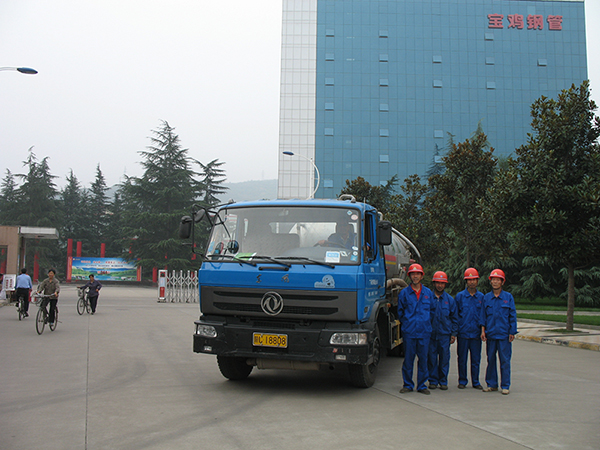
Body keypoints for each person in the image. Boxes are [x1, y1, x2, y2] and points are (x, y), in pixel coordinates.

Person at [398, 263, 435, 395]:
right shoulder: (404, 293)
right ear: (409, 276)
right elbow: (400, 312)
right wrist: (408, 324)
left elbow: (432, 311)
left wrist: (425, 324)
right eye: (413, 274)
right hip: (409, 332)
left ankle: (421, 385)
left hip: (424, 332)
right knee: (408, 359)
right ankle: (408, 384)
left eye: (417, 274)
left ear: (421, 276)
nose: (415, 276)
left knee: (423, 359)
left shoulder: (428, 293)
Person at [480, 269, 517, 395]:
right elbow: (483, 316)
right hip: (491, 334)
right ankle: (492, 384)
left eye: (498, 280)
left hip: (504, 335)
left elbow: (512, 315)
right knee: (491, 359)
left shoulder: (508, 297)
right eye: (493, 280)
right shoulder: (486, 298)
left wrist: (512, 331)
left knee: (505, 360)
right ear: (490, 282)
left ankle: (505, 385)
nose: (495, 282)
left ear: (502, 282)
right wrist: (483, 331)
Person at [455, 267, 484, 390]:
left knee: (476, 360)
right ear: (466, 281)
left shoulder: (481, 297)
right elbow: (456, 315)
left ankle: (476, 381)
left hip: (476, 334)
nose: (472, 282)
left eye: (474, 280)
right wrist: (455, 332)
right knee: (462, 359)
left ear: (477, 281)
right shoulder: (460, 297)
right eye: (469, 280)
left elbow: (483, 315)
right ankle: (462, 380)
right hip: (463, 333)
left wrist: (483, 330)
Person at [428, 271, 458, 391]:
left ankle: (443, 381)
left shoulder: (450, 300)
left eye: (442, 283)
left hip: (444, 334)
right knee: (431, 358)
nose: (440, 285)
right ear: (434, 283)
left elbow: (454, 318)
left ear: (445, 285)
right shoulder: (428, 298)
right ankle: (433, 380)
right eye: (438, 283)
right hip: (431, 334)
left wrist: (453, 333)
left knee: (444, 358)